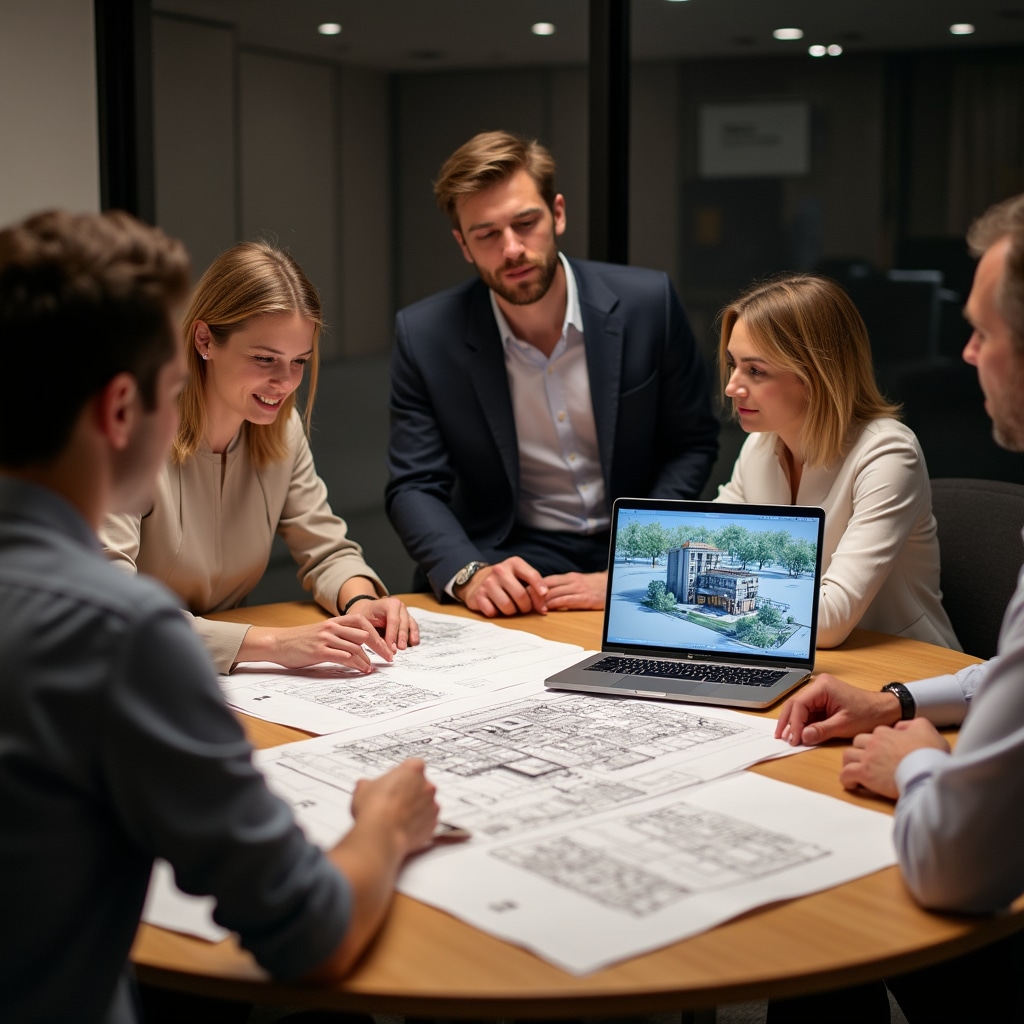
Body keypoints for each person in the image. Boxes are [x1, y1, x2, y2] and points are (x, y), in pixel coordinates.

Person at [0, 209, 439, 1024]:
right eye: (171, 389)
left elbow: (326, 543)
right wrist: (382, 823)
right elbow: (312, 931)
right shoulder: (117, 633)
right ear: (121, 409)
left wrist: (360, 591)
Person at [768, 195, 1024, 1021]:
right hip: (885, 692)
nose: (966, 352)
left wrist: (913, 759)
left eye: (983, 332)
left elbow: (960, 864)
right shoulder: (759, 448)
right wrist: (902, 703)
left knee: (823, 919)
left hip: (973, 850)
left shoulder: (887, 449)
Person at [386, 130, 719, 618]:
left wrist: (638, 562)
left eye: (526, 223)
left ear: (557, 213)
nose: (513, 249)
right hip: (509, 556)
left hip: (637, 544)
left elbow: (692, 443)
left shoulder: (650, 304)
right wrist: (467, 571)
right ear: (463, 244)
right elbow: (413, 484)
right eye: (487, 235)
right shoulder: (425, 334)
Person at [101, 240, 419, 674]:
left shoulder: (281, 431)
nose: (284, 383)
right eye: (265, 359)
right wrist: (272, 644)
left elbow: (326, 551)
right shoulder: (129, 433)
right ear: (204, 340)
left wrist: (361, 600)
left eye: (299, 362)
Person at [715, 274, 959, 650]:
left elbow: (829, 621)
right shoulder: (761, 446)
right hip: (793, 653)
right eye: (733, 364)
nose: (732, 386)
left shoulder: (888, 453)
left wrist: (716, 590)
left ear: (816, 375)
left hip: (904, 677)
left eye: (756, 370)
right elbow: (708, 543)